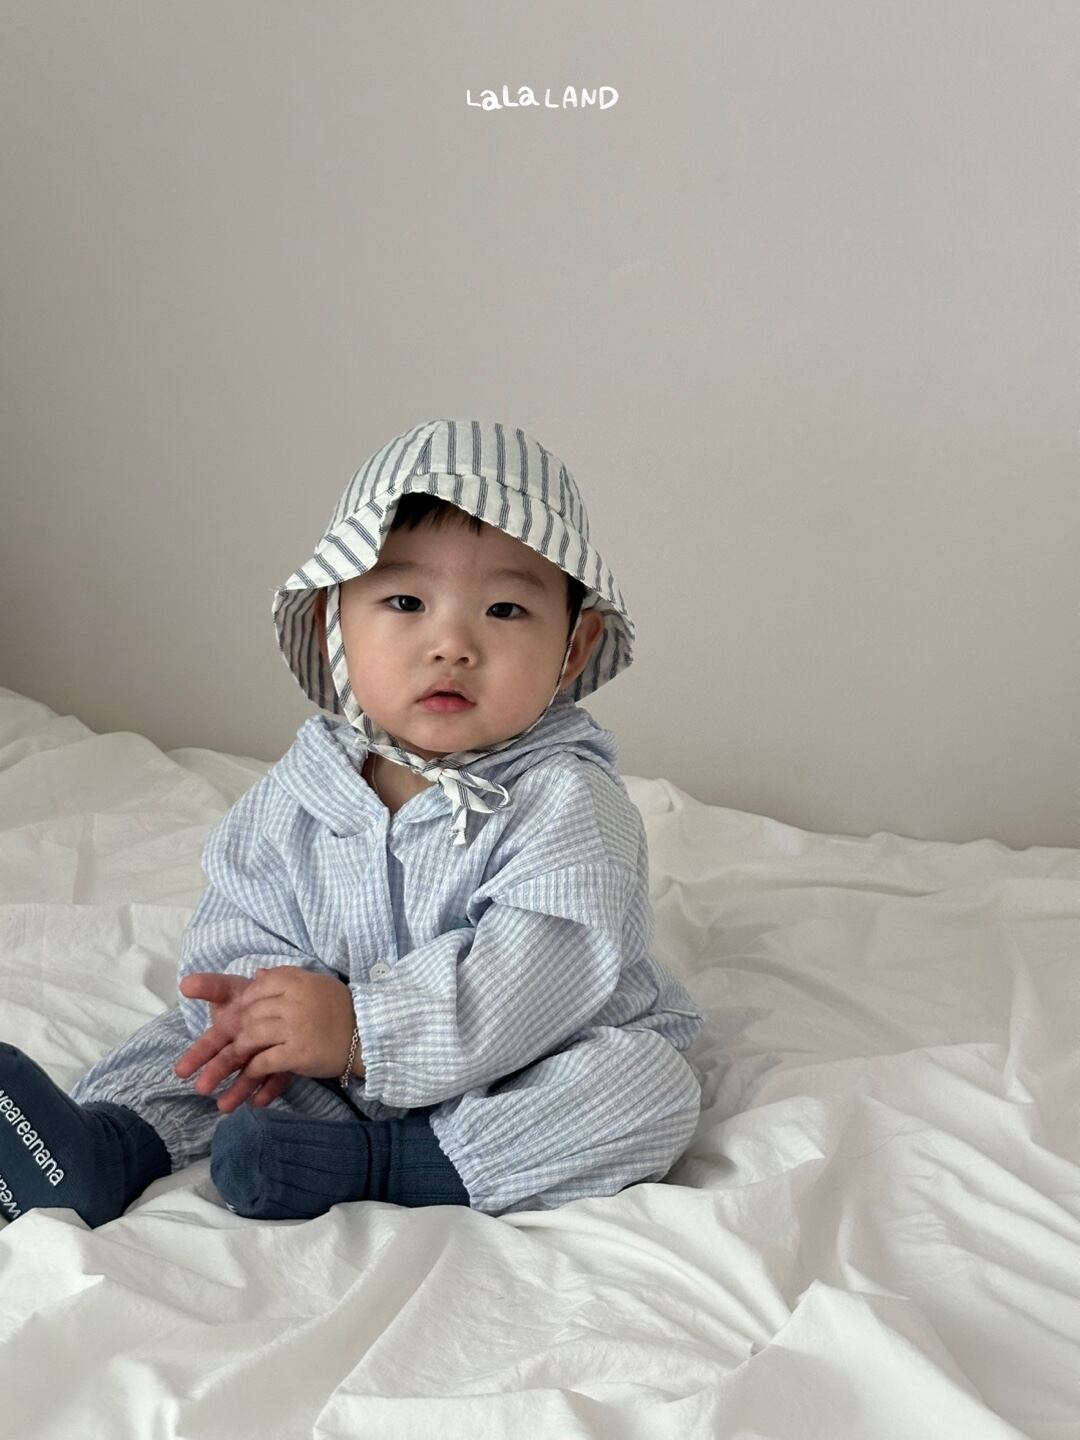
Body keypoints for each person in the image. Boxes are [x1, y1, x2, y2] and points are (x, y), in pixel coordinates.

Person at [0, 418, 704, 1228]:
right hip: (323, 1063)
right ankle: (104, 1147)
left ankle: (393, 1165)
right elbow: (242, 913)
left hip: (516, 1060)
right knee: (195, 1043)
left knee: (643, 1089)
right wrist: (269, 1013)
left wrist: (364, 1029)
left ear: (574, 647)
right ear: (332, 621)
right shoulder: (308, 785)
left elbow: (532, 981)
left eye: (506, 609)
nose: (452, 644)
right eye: (405, 602)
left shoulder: (568, 802)